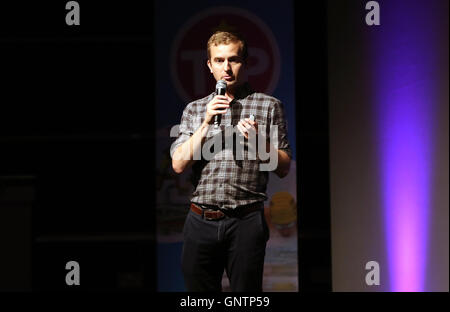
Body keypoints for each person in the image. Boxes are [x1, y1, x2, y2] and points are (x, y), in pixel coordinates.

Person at [170, 30, 292, 292]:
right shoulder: (194, 109)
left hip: (245, 221)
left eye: (234, 60)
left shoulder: (269, 106)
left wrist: (259, 143)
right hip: (201, 219)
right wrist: (205, 122)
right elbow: (178, 164)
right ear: (209, 65)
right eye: (219, 60)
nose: (226, 68)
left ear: (245, 63)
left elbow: (283, 167)